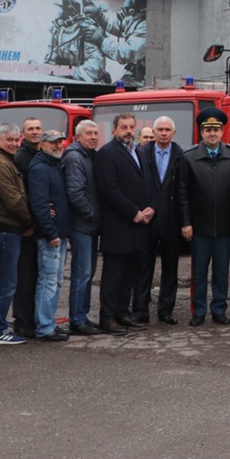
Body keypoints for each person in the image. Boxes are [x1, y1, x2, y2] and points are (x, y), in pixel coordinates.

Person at [180, 108, 230, 326]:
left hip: (225, 227)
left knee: (221, 271)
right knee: (198, 272)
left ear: (222, 131)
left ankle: (219, 309)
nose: (212, 134)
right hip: (199, 228)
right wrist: (186, 223)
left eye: (216, 130)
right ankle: (198, 311)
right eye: (208, 130)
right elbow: (184, 194)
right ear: (201, 131)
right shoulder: (189, 158)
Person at [96, 113, 153, 334]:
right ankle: (107, 317)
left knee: (130, 273)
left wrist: (149, 208)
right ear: (114, 130)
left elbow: (146, 183)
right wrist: (133, 212)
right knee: (113, 275)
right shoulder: (107, 153)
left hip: (139, 224)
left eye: (131, 127)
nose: (128, 131)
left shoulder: (139, 151)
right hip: (118, 225)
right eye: (123, 127)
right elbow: (109, 189)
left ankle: (122, 312)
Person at [0, 123, 33, 346]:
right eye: (9, 139)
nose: (13, 143)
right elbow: (13, 201)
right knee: (5, 283)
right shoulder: (1, 165)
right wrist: (31, 221)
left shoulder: (5, 160)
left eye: (16, 139)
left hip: (3, 229)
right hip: (4, 230)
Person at [135, 116, 185, 325]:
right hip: (147, 220)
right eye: (160, 130)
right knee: (143, 267)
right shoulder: (141, 153)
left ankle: (166, 310)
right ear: (153, 133)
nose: (164, 133)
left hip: (172, 220)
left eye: (167, 130)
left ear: (173, 133)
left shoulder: (180, 155)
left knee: (170, 268)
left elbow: (182, 189)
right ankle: (140, 310)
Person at [28, 130, 72, 341]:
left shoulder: (55, 165)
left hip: (60, 233)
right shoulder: (40, 168)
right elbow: (39, 204)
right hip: (50, 236)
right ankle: (44, 327)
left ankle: (50, 322)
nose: (58, 146)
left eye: (60, 142)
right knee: (48, 281)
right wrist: (50, 232)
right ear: (43, 145)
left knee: (56, 281)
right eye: (53, 143)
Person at [63, 120, 103, 335]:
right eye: (89, 133)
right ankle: (77, 320)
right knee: (82, 274)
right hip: (82, 226)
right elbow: (76, 194)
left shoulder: (90, 156)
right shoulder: (74, 157)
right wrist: (95, 215)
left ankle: (83, 316)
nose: (94, 137)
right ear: (78, 136)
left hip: (91, 226)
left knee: (89, 273)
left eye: (96, 133)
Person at [10, 116, 44, 338]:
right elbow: (26, 193)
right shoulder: (22, 157)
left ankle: (31, 318)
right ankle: (22, 321)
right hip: (27, 226)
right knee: (24, 275)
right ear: (24, 134)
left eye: (38, 128)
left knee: (34, 274)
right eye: (30, 129)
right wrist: (30, 221)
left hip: (37, 223)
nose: (35, 132)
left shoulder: (37, 154)